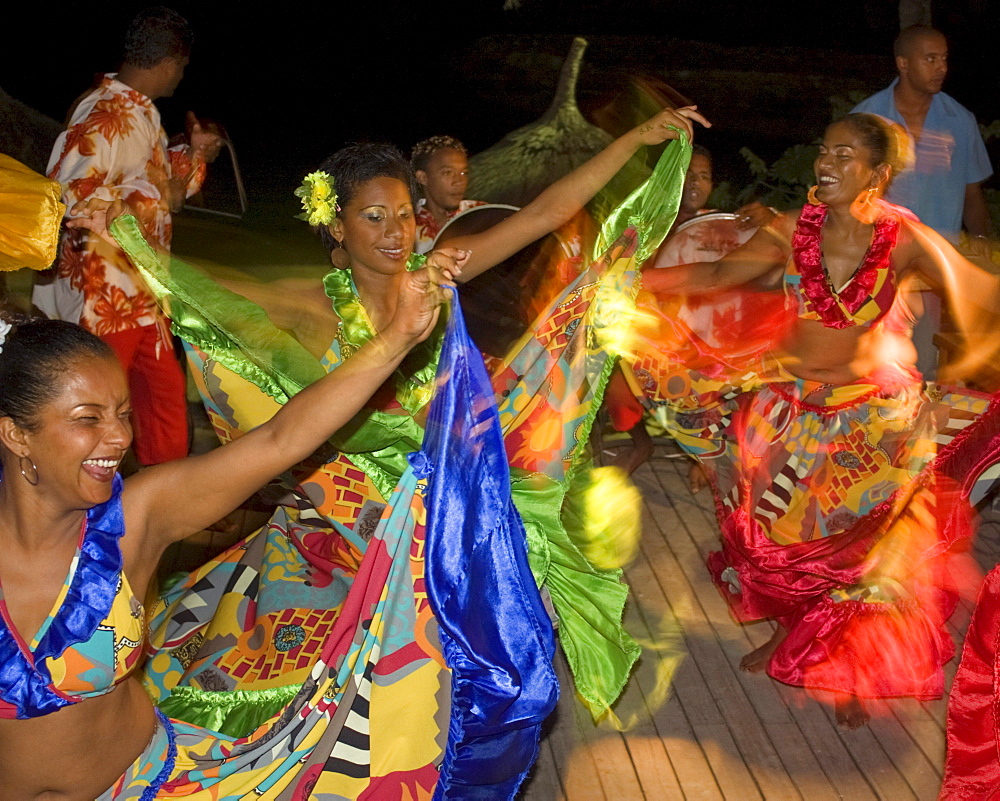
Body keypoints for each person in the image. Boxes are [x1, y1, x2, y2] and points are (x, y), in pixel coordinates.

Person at [109, 106, 706, 794]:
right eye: (373, 219)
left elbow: (548, 212)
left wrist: (636, 138)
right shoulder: (314, 305)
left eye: (402, 216)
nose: (396, 235)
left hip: (438, 492)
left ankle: (453, 730)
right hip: (346, 513)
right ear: (335, 225)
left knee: (499, 574)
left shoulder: (438, 274)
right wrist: (140, 251)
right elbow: (220, 305)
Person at [0, 241, 452, 797]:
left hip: (150, 780)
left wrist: (398, 337)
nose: (118, 438)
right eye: (86, 419)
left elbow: (280, 439)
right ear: (16, 433)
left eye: (121, 414)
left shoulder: (136, 518)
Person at [640, 112, 1000, 728]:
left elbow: (971, 292)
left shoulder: (907, 239)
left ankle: (853, 669)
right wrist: (633, 280)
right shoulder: (789, 229)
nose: (825, 163)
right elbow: (720, 273)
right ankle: (793, 634)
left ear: (877, 174)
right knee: (773, 542)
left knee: (858, 552)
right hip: (788, 412)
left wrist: (967, 359)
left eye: (844, 154)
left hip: (872, 424)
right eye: (823, 150)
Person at [33, 6, 220, 466]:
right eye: (182, 65)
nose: (180, 75)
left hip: (142, 294)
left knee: (165, 411)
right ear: (169, 62)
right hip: (102, 298)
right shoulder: (104, 114)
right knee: (92, 417)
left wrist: (194, 156)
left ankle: (164, 513)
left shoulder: (143, 114)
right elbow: (66, 193)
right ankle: (81, 516)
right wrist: (138, 201)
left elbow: (162, 188)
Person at [852, 25, 995, 377]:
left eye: (944, 58)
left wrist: (981, 246)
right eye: (930, 58)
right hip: (880, 267)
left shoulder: (959, 121)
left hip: (936, 269)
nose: (941, 67)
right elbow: (849, 198)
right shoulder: (867, 120)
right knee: (870, 368)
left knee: (927, 366)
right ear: (903, 63)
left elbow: (972, 194)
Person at [411, 135, 486, 253]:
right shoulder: (406, 225)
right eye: (448, 173)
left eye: (463, 172)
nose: (459, 181)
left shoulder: (483, 214)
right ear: (423, 178)